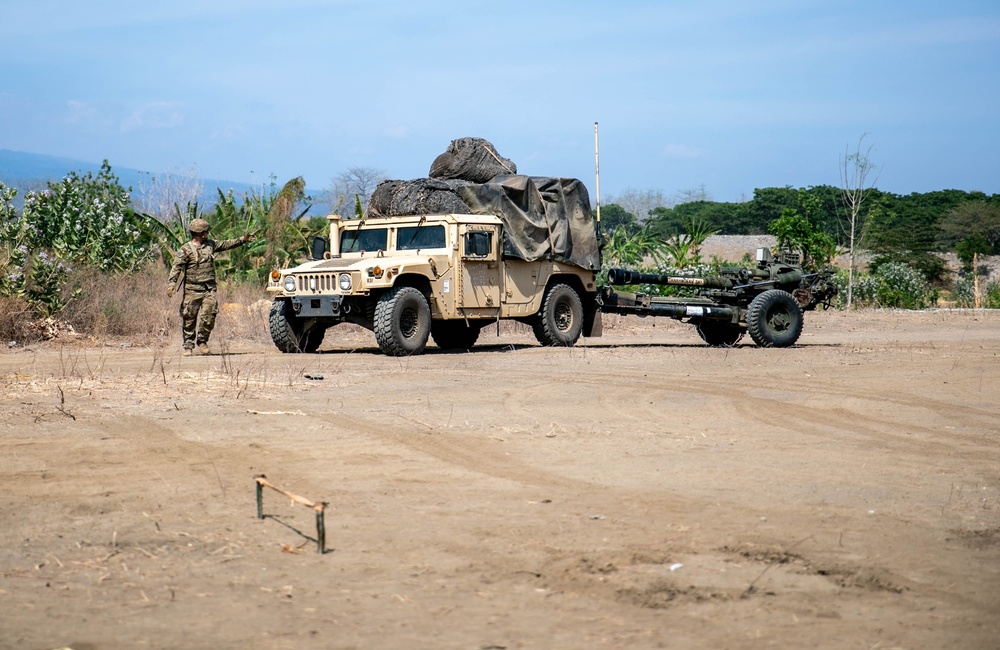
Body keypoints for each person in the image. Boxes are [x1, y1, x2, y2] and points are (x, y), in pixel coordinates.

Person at [167, 219, 255, 356]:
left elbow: (227, 244)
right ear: (200, 232)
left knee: (209, 316)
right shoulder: (185, 249)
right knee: (189, 318)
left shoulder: (210, 245)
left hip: (209, 289)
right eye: (205, 231)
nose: (207, 233)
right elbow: (176, 267)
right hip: (192, 290)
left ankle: (202, 341)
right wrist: (172, 283)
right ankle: (188, 346)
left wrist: (242, 239)